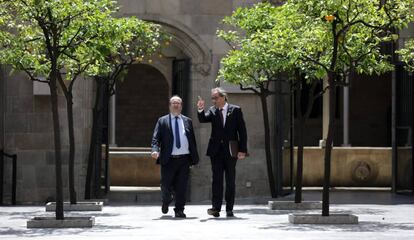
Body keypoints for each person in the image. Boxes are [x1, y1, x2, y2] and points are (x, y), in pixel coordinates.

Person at [197, 87, 247, 218]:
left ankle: (229, 208)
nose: (213, 101)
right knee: (216, 180)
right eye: (212, 98)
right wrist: (200, 109)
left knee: (230, 180)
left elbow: (242, 131)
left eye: (215, 98)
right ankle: (216, 208)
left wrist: (243, 150)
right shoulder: (212, 110)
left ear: (223, 97)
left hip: (231, 151)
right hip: (216, 151)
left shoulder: (235, 110)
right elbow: (203, 119)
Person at [151, 96, 199, 218]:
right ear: (169, 105)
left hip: (184, 159)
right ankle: (166, 200)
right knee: (166, 185)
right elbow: (156, 139)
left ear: (181, 106)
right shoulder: (162, 121)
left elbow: (192, 140)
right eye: (173, 103)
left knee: (182, 186)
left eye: (178, 103)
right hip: (169, 160)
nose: (176, 105)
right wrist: (155, 150)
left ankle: (179, 210)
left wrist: (193, 157)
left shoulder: (187, 121)